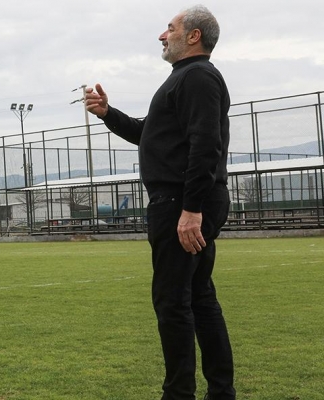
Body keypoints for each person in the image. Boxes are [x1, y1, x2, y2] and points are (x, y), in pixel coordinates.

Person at [85, 5, 235, 400]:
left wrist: (191, 209)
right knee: (199, 298)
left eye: (170, 28)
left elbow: (206, 145)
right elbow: (149, 135)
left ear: (193, 37)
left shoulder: (197, 77)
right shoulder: (184, 79)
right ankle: (221, 392)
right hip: (186, 200)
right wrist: (107, 113)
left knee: (172, 303)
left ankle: (179, 394)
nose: (161, 35)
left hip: (181, 203)